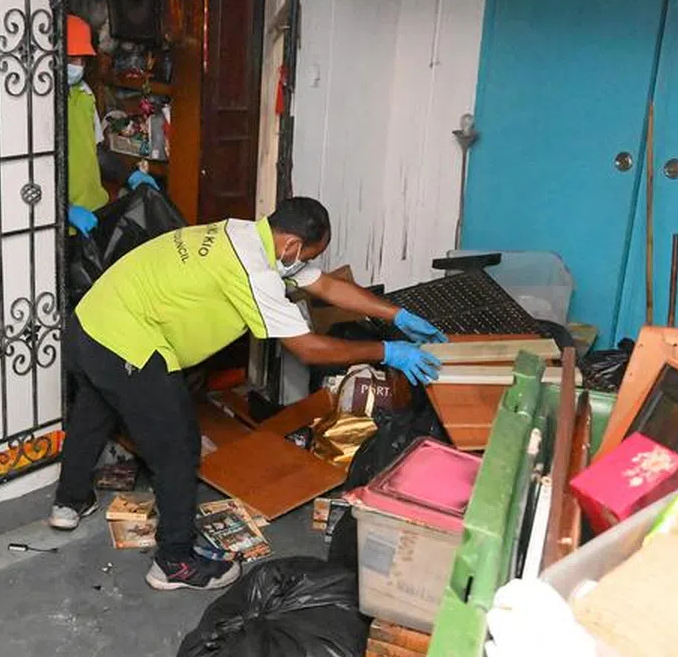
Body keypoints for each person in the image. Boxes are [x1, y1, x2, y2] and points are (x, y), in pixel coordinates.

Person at [48, 196, 448, 592]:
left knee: (93, 409)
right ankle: (174, 562)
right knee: (178, 447)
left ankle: (69, 501)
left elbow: (325, 285)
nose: (308, 263)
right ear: (291, 245)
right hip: (126, 341)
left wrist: (396, 315)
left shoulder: (244, 234)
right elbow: (307, 348)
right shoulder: (255, 272)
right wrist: (387, 351)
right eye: (309, 253)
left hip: (90, 322)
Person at [65, 13, 156, 239]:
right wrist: (63, 209)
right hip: (63, 221)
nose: (77, 66)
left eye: (82, 59)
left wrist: (131, 176)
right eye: (71, 58)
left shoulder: (85, 96)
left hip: (95, 210)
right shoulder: (42, 106)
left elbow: (97, 152)